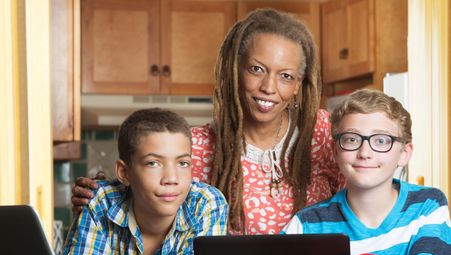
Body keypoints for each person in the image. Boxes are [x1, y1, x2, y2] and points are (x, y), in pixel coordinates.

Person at [71, 9, 345, 235]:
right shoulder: (196, 147)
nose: (268, 87)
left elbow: (362, 199)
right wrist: (104, 199)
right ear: (235, 70)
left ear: (298, 84)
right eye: (256, 69)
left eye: (285, 76)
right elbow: (149, 214)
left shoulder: (324, 131)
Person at [61, 108, 228, 255]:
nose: (171, 179)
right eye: (153, 163)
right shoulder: (99, 201)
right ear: (124, 173)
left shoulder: (206, 204)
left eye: (183, 163)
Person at [282, 89, 451, 255]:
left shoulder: (427, 205)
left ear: (404, 154)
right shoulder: (306, 224)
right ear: (335, 151)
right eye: (352, 140)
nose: (364, 153)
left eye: (381, 141)